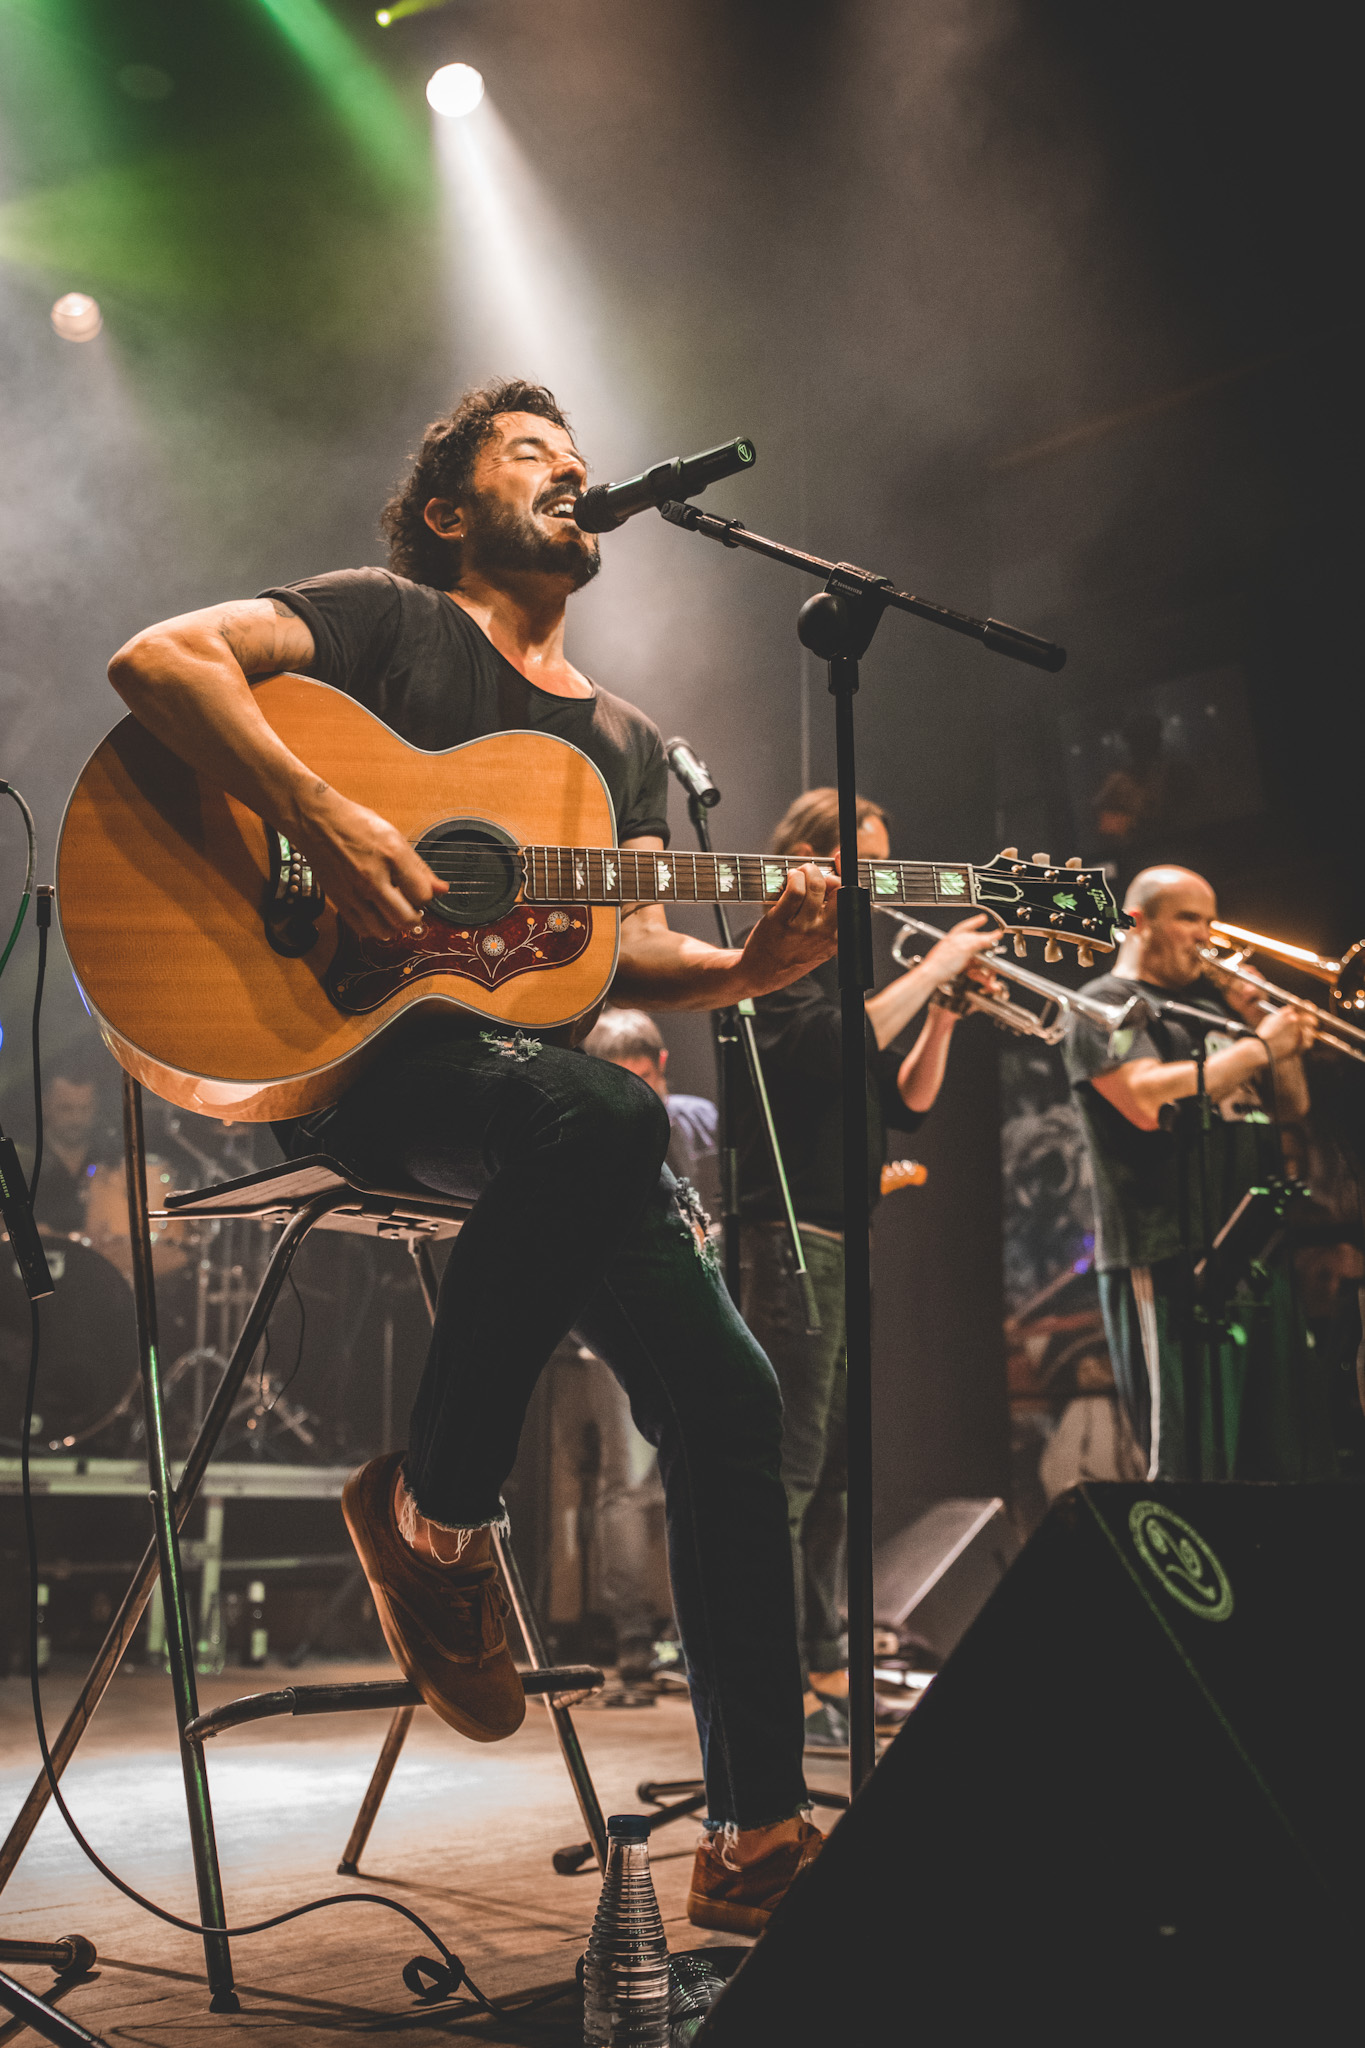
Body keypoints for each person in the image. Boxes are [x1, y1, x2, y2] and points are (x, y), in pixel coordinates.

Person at [106, 379, 839, 1934]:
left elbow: (624, 947)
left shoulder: (620, 741)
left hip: (536, 1108)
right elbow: (159, 662)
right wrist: (322, 811)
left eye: (580, 460)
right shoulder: (387, 623)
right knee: (606, 1113)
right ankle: (438, 1517)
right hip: (350, 1056)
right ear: (449, 513)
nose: (573, 475)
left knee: (732, 1400)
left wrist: (745, 970)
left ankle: (756, 1837)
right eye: (531, 457)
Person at [734, 787, 1001, 1746]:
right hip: (789, 1235)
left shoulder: (856, 976)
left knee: (840, 1478)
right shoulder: (781, 956)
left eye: (885, 864)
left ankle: (825, 1666)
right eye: (864, 862)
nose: (880, 882)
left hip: (850, 1238)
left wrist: (946, 1014)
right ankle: (772, 1683)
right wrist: (934, 967)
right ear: (809, 858)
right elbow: (827, 1047)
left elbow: (906, 1102)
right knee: (790, 1472)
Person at [1064, 864, 1335, 1481]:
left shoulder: (1216, 1010)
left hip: (1256, 1252)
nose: (1206, 935)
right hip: (1169, 1255)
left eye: (1210, 920)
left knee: (1285, 1464)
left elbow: (1291, 1105)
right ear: (1139, 922)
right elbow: (1144, 1097)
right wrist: (1259, 1046)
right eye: (1189, 919)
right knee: (1190, 1467)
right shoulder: (1104, 1002)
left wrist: (1261, 1022)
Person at [576, 1007, 719, 1690]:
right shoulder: (588, 1130)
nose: (635, 1095)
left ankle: (691, 1636)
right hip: (622, 1320)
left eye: (642, 1080)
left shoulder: (696, 1121)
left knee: (699, 1473)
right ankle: (633, 1636)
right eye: (618, 1083)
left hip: (696, 1311)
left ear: (663, 1066)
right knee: (628, 1488)